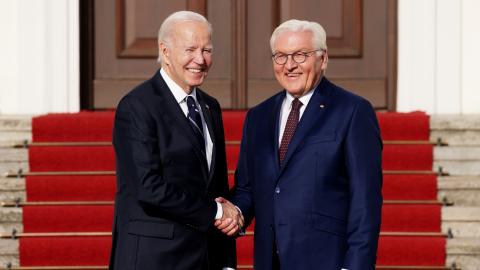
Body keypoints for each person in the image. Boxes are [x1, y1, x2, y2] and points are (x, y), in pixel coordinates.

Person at [216, 19, 383, 269]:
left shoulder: (353, 111)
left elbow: (365, 201)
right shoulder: (258, 117)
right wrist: (234, 213)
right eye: (280, 56)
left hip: (327, 261)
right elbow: (247, 188)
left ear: (323, 58)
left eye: (300, 55)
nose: (290, 65)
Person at [109, 11, 241, 270]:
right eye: (190, 49)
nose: (200, 60)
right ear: (165, 51)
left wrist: (226, 261)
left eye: (207, 50)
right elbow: (148, 187)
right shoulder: (137, 106)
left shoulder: (210, 107)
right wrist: (215, 213)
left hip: (205, 257)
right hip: (154, 258)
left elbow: (217, 190)